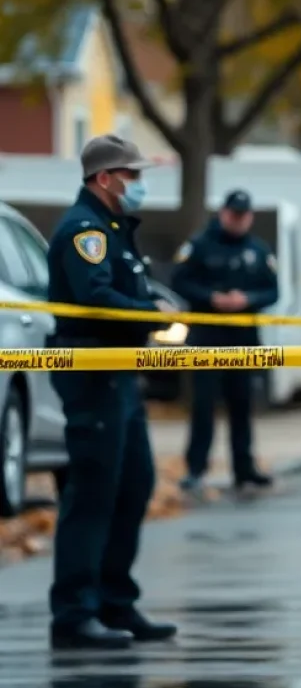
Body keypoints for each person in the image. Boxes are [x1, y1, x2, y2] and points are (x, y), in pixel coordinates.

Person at [46, 134, 179, 649]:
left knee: (134, 484)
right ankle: (75, 613)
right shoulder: (86, 230)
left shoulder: (114, 228)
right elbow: (97, 297)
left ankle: (115, 603)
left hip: (120, 371)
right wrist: (153, 315)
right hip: (92, 371)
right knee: (94, 492)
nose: (139, 184)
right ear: (104, 178)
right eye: (133, 175)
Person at [172, 190, 280, 494]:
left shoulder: (258, 250)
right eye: (233, 214)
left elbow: (273, 291)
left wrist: (248, 299)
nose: (238, 220)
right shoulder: (200, 245)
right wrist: (211, 298)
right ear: (223, 213)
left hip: (243, 340)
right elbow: (180, 280)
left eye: (243, 215)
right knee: (203, 406)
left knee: (242, 407)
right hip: (208, 339)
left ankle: (244, 469)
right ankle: (195, 469)